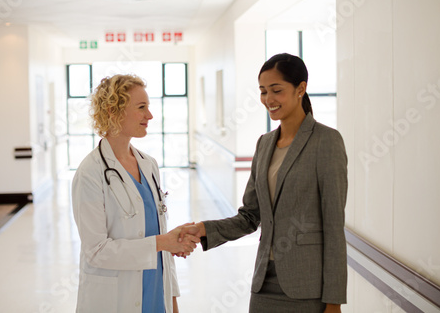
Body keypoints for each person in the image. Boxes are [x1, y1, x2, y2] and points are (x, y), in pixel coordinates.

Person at [180, 53, 348, 312]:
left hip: (309, 287)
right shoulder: (265, 143)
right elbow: (250, 216)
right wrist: (204, 229)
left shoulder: (326, 141)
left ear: (300, 89)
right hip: (264, 282)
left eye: (276, 90)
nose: (268, 99)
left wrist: (333, 301)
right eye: (262, 91)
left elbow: (334, 225)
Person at [72, 74, 199, 313]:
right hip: (115, 300)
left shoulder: (148, 164)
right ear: (113, 111)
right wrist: (164, 242)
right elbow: (96, 251)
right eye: (141, 108)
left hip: (156, 294)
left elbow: (160, 240)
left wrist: (172, 300)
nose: (149, 115)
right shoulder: (90, 173)